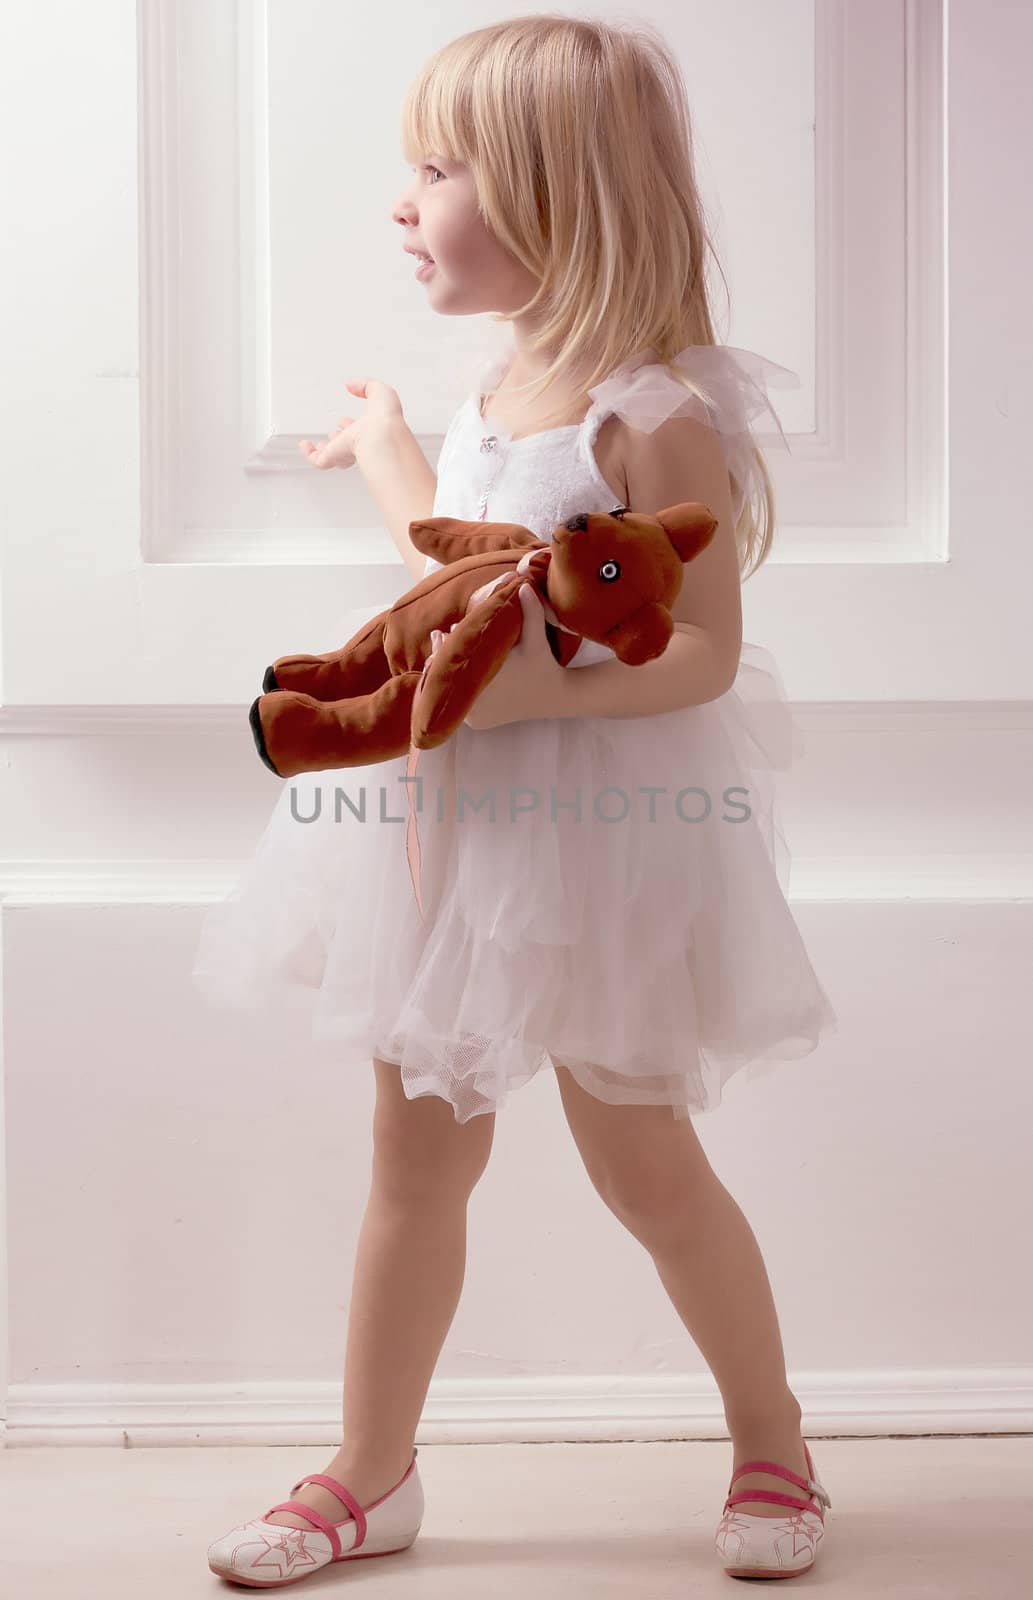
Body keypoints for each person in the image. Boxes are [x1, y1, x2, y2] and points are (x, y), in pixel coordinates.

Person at [200, 15, 837, 1588]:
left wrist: (548, 693)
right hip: (443, 832)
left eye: (434, 169)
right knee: (410, 1160)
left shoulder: (645, 411)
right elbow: (461, 564)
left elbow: (701, 652)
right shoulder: (502, 384)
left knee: (644, 1163)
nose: (402, 205)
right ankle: (369, 1471)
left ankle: (774, 1441)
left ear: (556, 191)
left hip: (594, 846)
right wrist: (391, 450)